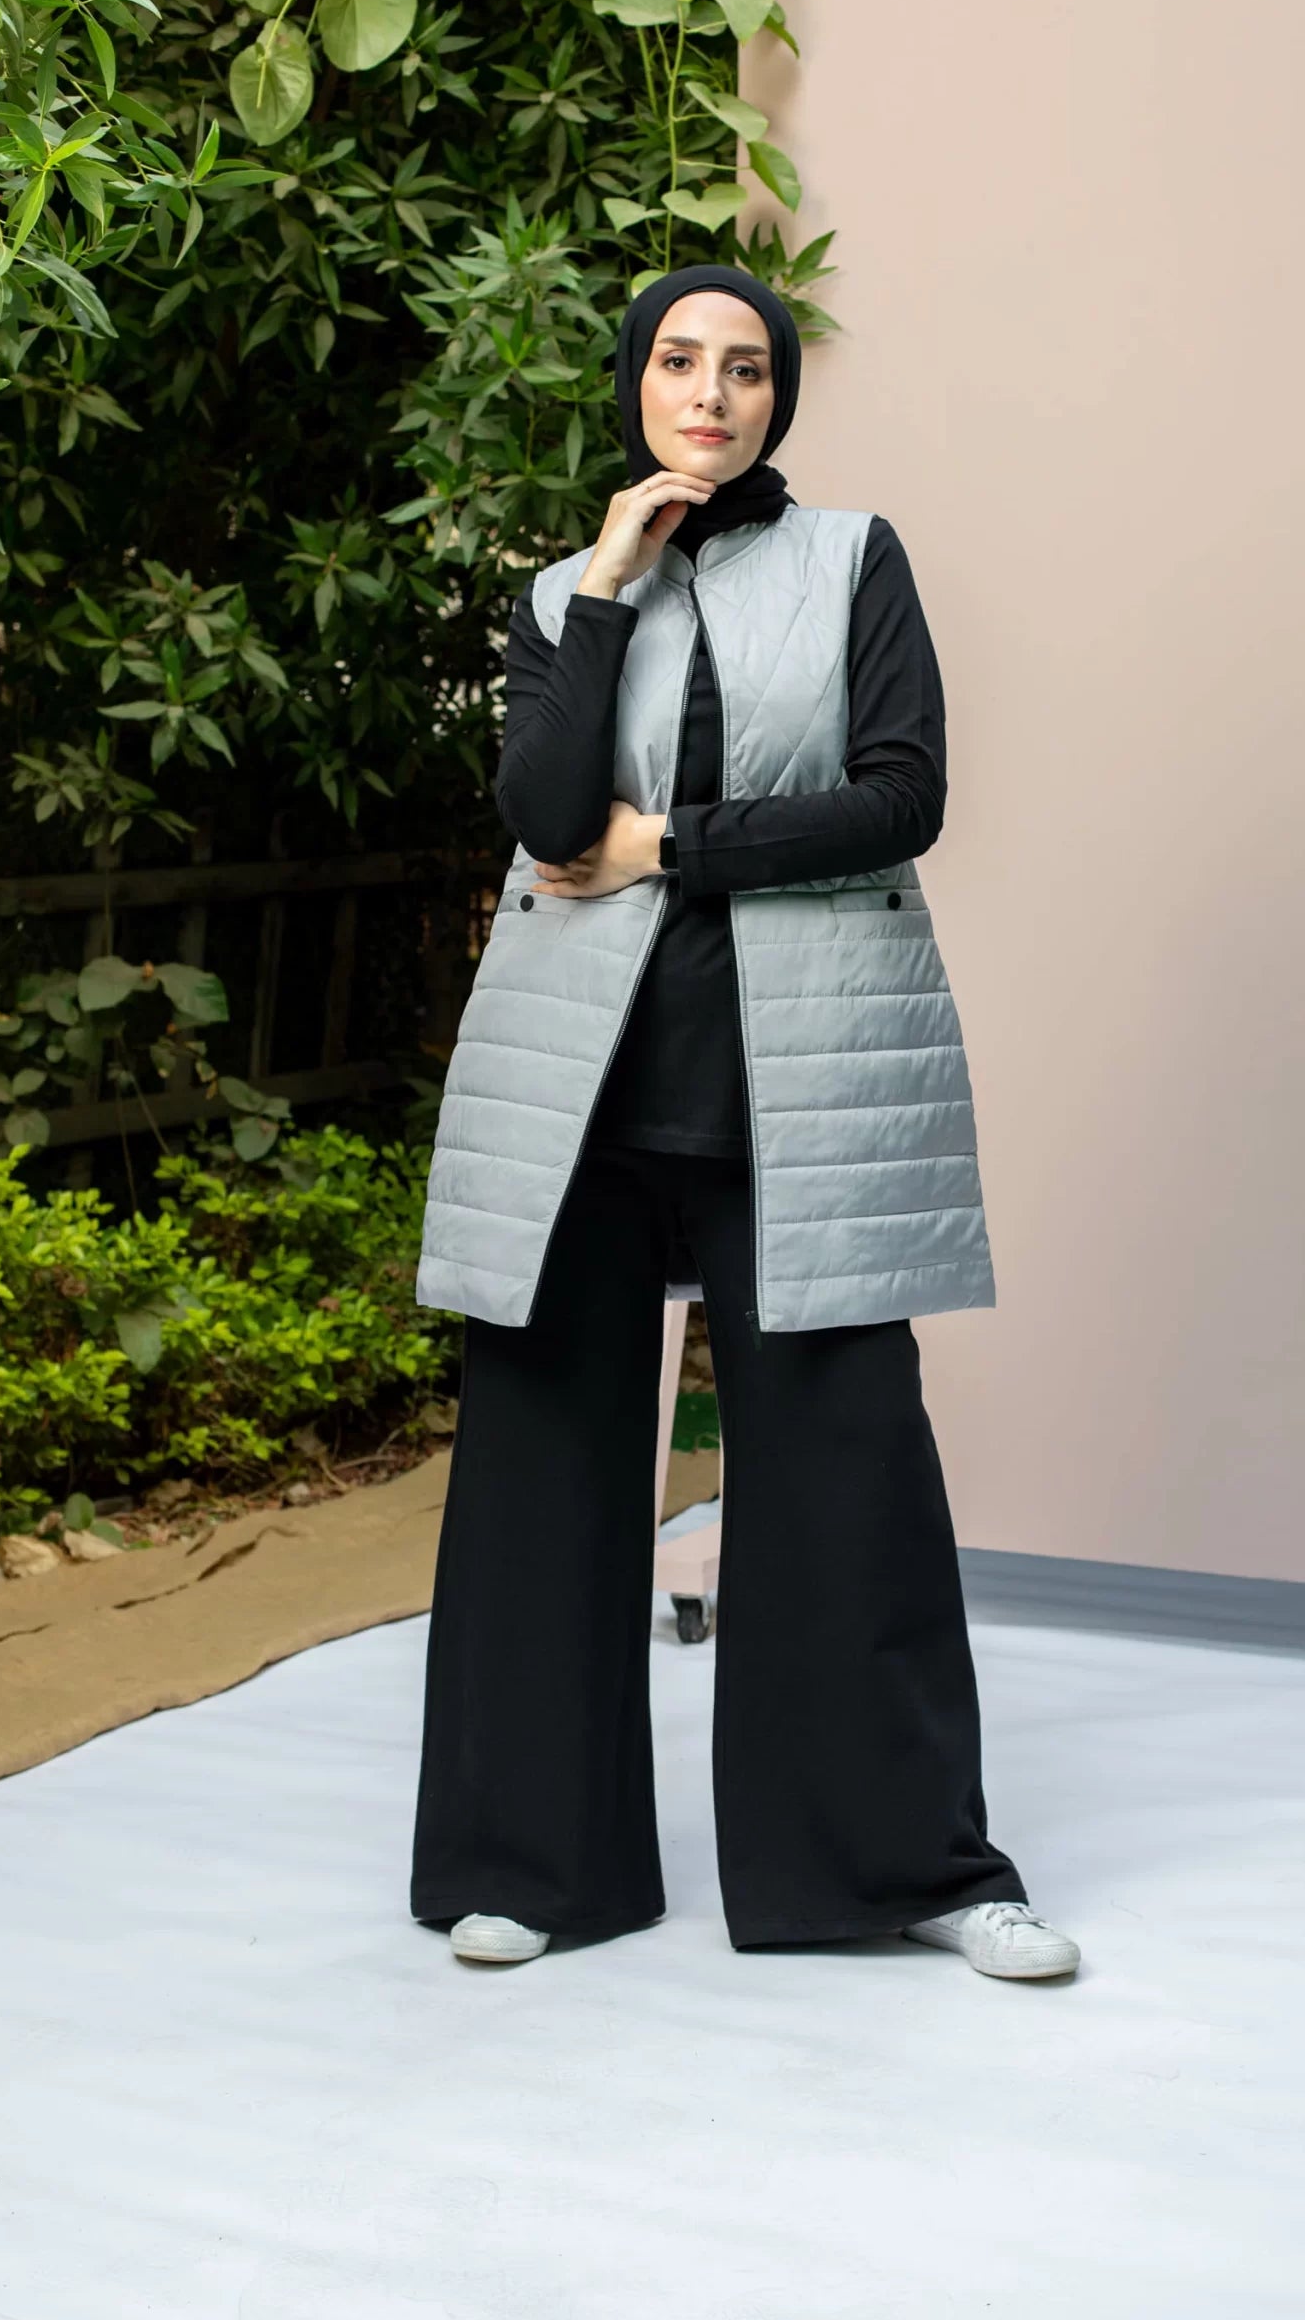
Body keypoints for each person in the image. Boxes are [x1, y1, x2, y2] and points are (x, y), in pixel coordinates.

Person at [408, 261, 1080, 1984]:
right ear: (635, 382)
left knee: (848, 1482)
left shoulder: (855, 559)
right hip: (581, 1091)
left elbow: (901, 798)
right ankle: (529, 1865)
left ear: (779, 399)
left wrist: (674, 847)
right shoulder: (562, 591)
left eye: (748, 368)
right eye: (680, 361)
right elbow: (546, 813)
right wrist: (605, 591)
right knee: (542, 1478)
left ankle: (908, 1868)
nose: (710, 393)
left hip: (806, 1084)